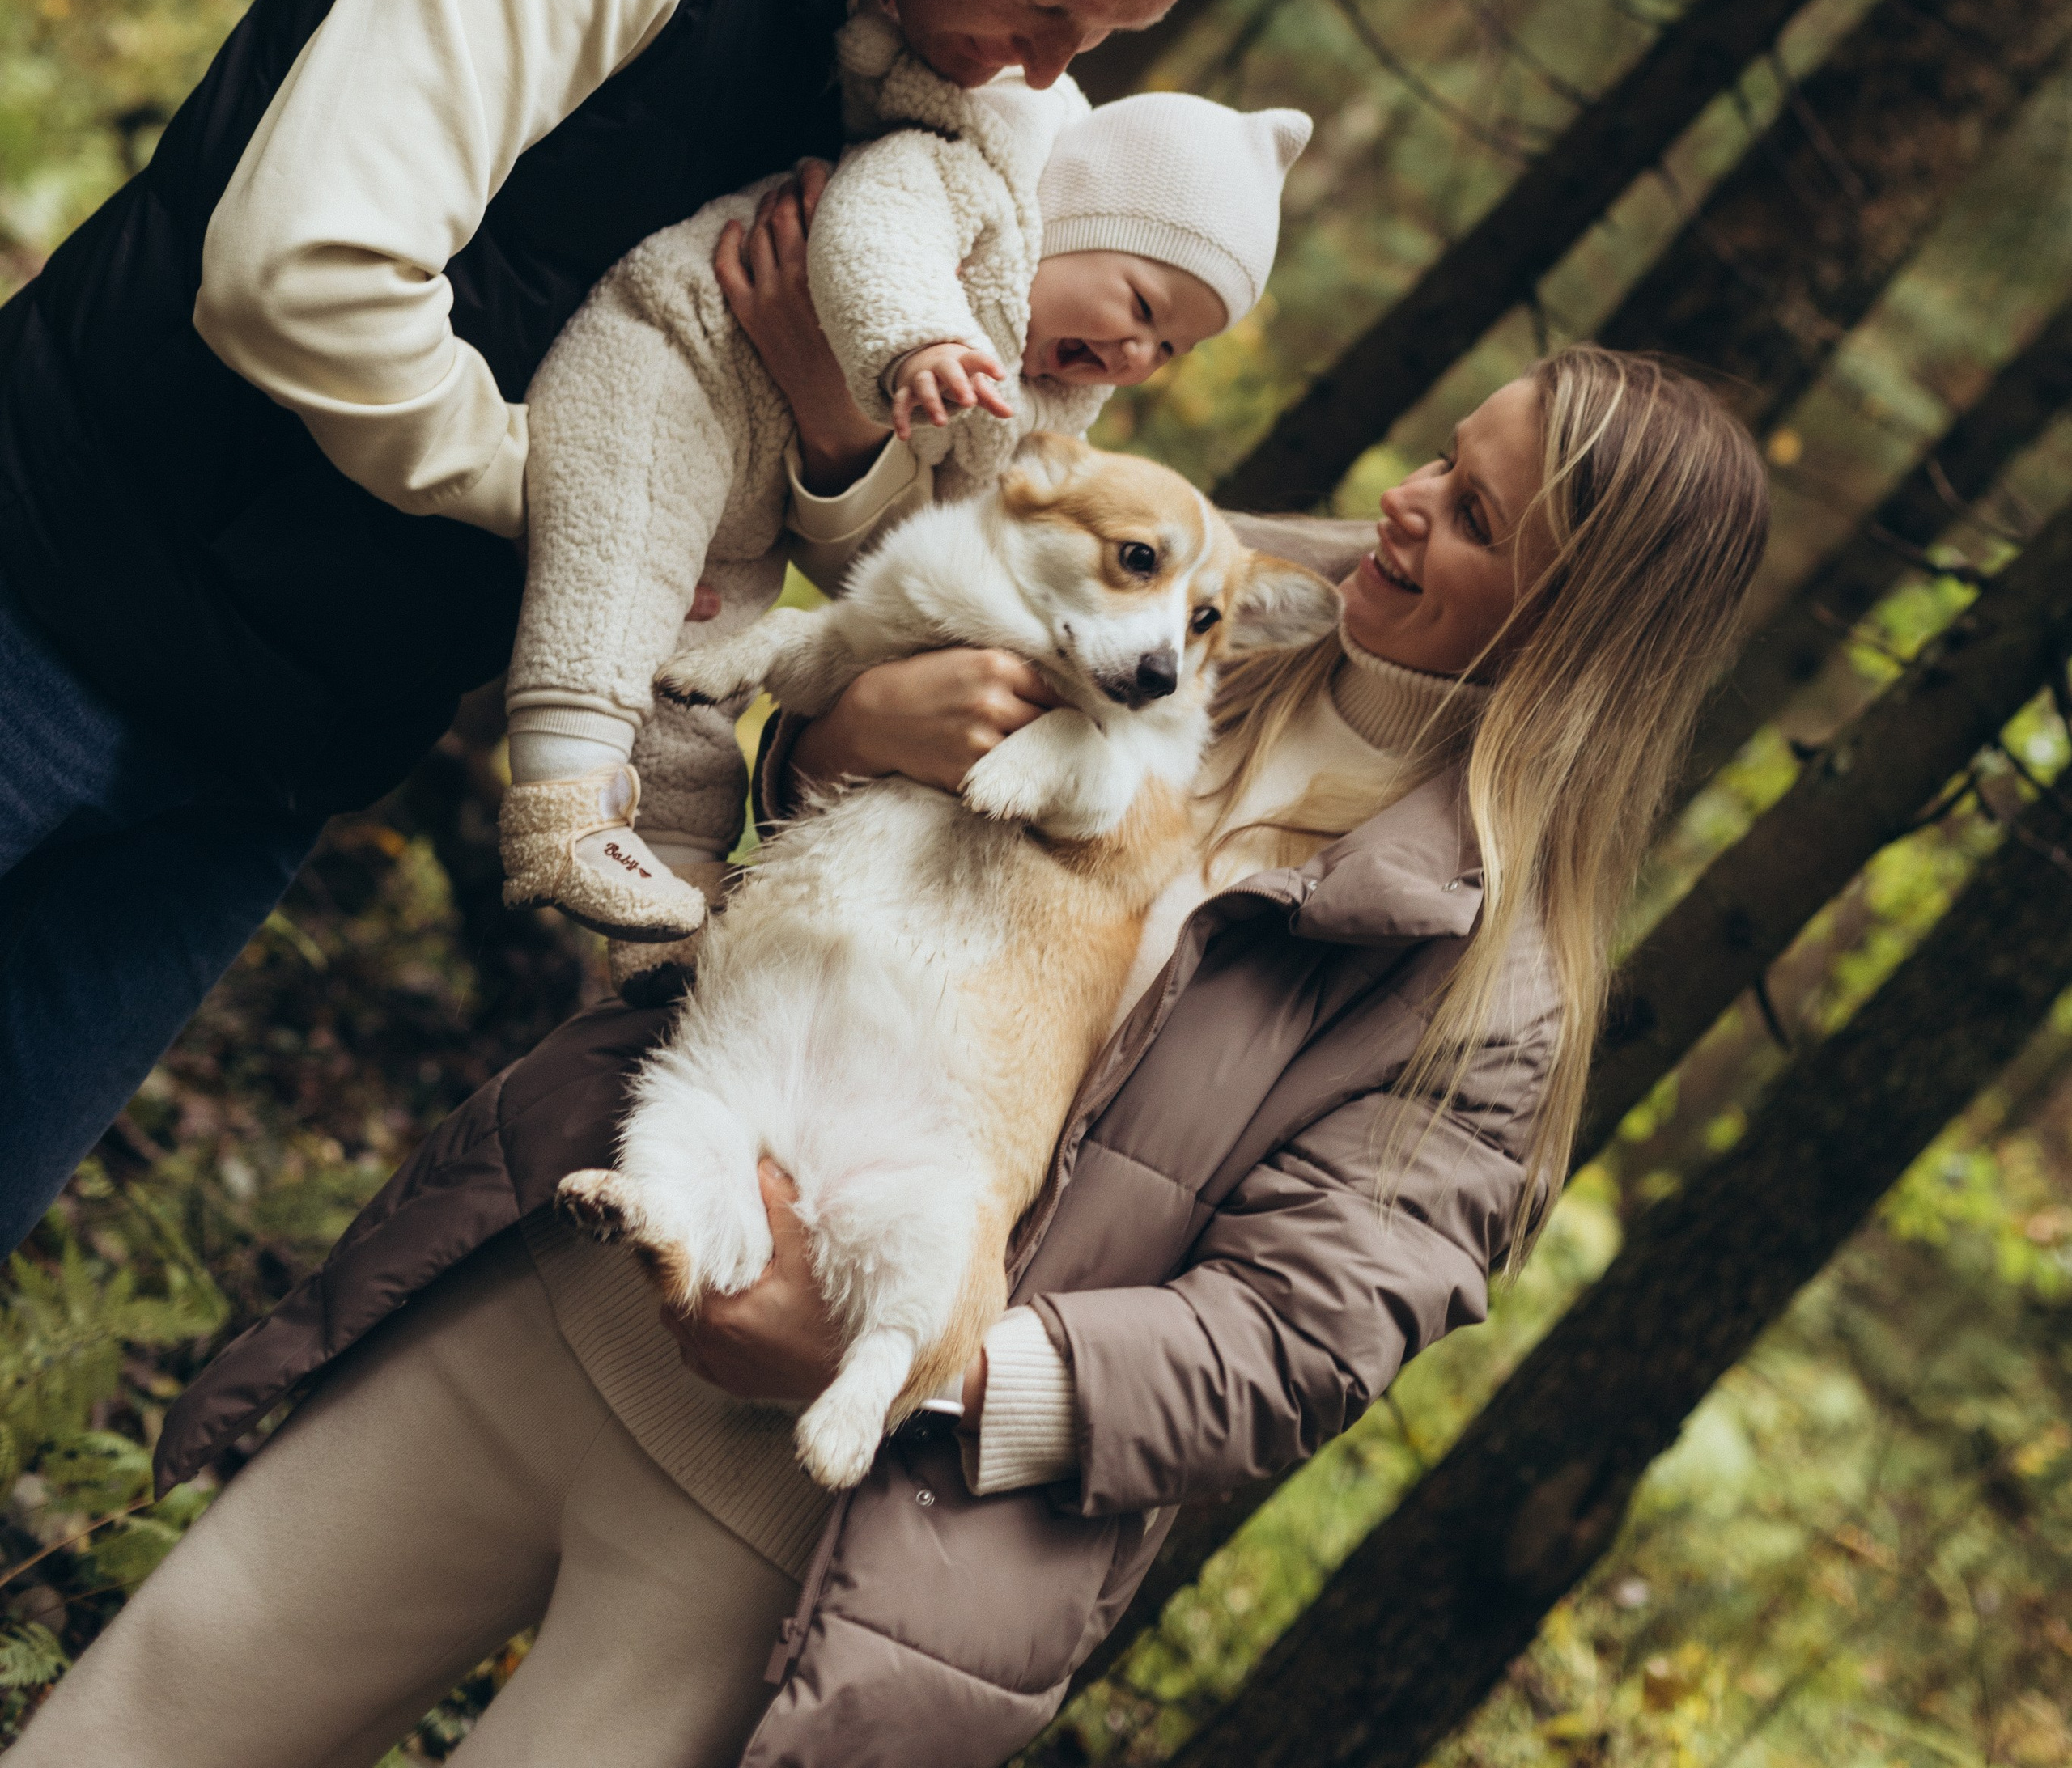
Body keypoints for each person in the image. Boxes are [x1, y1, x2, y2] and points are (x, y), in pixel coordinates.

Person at [12, 346, 1768, 1768]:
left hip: (801, 1519)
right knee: (157, 1713)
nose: (1403, 502)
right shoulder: (1186, 570)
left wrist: (933, 1369)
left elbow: (1293, 1341)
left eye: (1473, 517)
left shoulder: (1489, 988)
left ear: (1569, 630)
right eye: (1445, 454)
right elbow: (817, 810)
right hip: (589, 1261)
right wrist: (847, 729)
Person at [0, 0, 1245, 1249]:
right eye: (1044, 3)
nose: (1046, 71)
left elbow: (882, 520)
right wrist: (588, 504)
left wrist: (834, 417)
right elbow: (303, 273)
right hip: (60, 573)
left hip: (286, 750)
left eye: (1104, 36)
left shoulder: (966, 89)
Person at [499, 59, 1309, 945]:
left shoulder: (1049, 406)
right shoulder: (974, 197)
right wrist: (913, 342)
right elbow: (871, 228)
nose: (1137, 355)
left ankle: (675, 878)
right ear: (1074, 219)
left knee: (697, 687)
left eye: (1170, 349)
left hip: (751, 516)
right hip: (683, 371)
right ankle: (564, 792)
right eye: (1143, 306)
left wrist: (838, 422)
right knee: (616, 583)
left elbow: (926, 532)